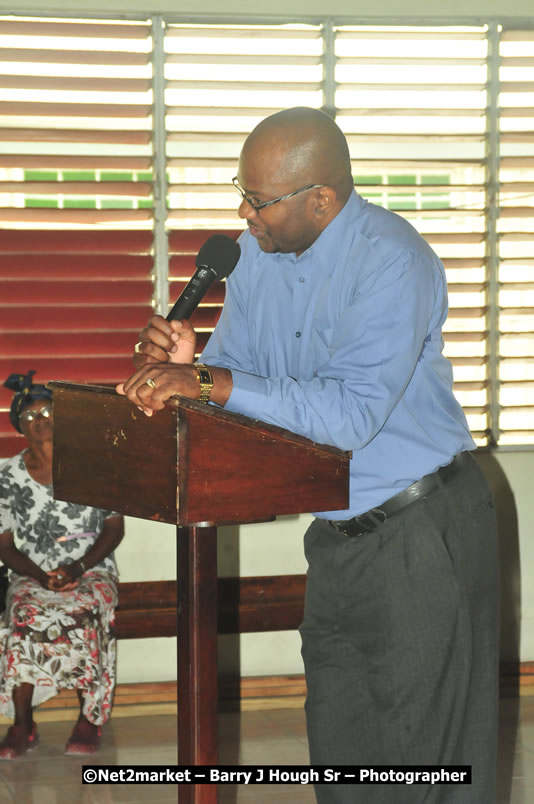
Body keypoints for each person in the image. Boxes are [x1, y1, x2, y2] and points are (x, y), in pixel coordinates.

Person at [117, 107, 500, 803]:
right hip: (337, 536)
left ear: (321, 200)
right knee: (342, 748)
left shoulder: (392, 261)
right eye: (243, 191)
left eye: (259, 200)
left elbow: (348, 414)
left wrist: (212, 380)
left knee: (427, 761)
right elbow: (234, 386)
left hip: (421, 530)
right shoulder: (257, 260)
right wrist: (188, 372)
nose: (245, 212)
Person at [0, 370, 124, 759]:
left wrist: (79, 568)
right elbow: (4, 545)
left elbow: (114, 530)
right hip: (31, 571)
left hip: (91, 569)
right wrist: (39, 575)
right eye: (32, 416)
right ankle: (22, 724)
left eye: (48, 411)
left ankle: (89, 718)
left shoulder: (96, 463)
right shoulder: (6, 475)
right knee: (23, 612)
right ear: (19, 425)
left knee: (86, 611)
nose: (42, 421)